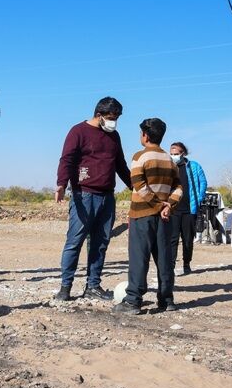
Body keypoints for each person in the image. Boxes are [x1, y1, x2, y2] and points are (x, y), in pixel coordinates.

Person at [54, 97, 132, 301]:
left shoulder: (114, 136)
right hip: (84, 195)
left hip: (107, 197)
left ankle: (93, 286)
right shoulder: (78, 131)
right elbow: (67, 159)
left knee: (100, 244)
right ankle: (65, 287)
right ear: (99, 115)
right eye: (110, 118)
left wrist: (136, 187)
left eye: (116, 118)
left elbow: (121, 165)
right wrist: (62, 183)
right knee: (75, 242)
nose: (113, 122)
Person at [113, 118, 183, 314]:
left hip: (142, 214)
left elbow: (137, 183)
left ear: (145, 135)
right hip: (165, 217)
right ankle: (167, 299)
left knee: (138, 257)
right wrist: (169, 205)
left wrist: (157, 205)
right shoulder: (169, 160)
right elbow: (178, 187)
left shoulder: (139, 156)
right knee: (164, 259)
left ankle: (133, 301)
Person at [168, 142, 207, 275]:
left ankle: (186, 264)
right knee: (172, 239)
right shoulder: (168, 166)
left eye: (176, 154)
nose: (173, 156)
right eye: (171, 154)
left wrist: (199, 199)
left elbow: (203, 182)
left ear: (183, 153)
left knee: (188, 239)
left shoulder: (194, 166)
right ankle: (171, 265)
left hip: (189, 209)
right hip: (173, 209)